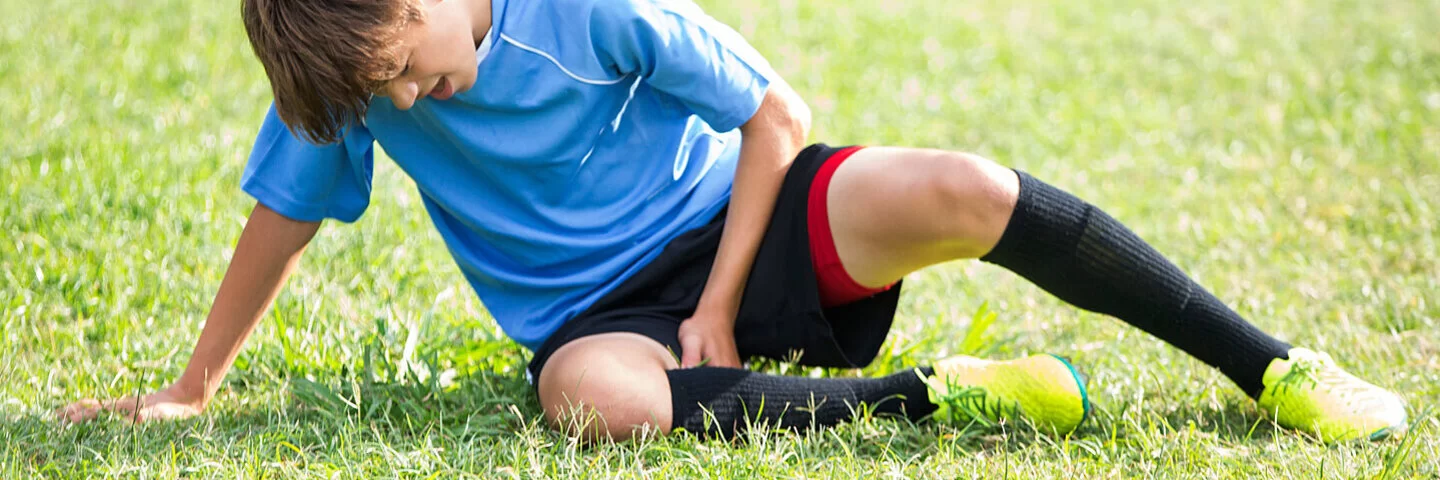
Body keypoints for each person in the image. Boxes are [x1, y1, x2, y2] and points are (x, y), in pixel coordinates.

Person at [58, 0, 1407, 443]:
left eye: (402, 63)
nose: (405, 96)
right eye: (383, 94)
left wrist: (718, 300)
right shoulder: (338, 75)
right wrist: (192, 386)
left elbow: (774, 109)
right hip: (602, 323)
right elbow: (280, 211)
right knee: (593, 402)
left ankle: (1272, 366)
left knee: (967, 188)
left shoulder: (584, 10)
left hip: (747, 224)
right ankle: (938, 398)